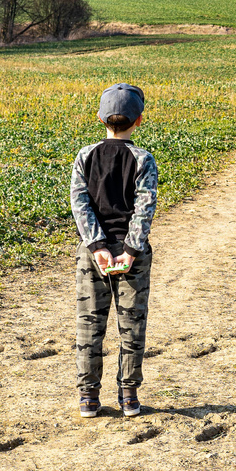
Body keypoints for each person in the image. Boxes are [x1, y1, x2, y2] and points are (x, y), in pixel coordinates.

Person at [70, 83, 158, 418]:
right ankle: (129, 397)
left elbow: (80, 205)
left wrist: (97, 246)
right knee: (132, 325)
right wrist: (132, 250)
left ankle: (89, 398)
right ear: (139, 121)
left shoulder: (85, 155)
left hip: (92, 256)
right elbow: (144, 208)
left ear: (100, 118)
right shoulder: (143, 159)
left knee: (89, 324)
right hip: (131, 255)